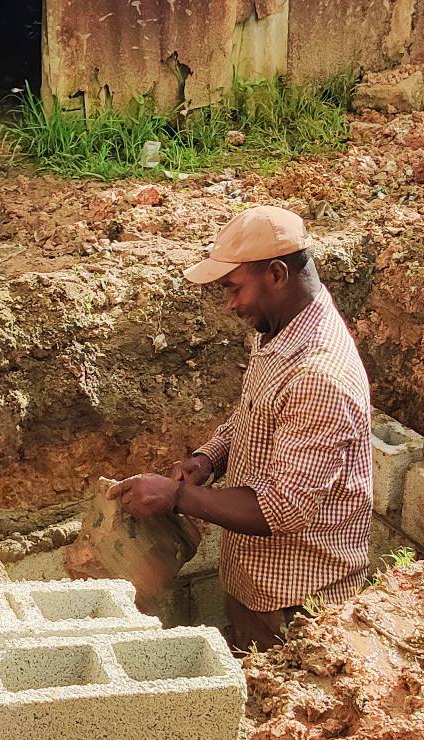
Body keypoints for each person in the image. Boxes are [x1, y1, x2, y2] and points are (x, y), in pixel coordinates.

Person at [107, 206, 372, 652]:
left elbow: (282, 509)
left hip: (294, 602)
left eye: (233, 288)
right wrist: (207, 457)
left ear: (275, 274)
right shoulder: (279, 330)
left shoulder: (319, 374)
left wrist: (176, 497)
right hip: (258, 581)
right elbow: (256, 413)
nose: (230, 304)